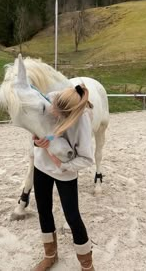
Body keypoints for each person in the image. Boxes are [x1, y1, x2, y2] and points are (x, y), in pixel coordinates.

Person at [32, 84, 95, 271]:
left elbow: (87, 159)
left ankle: (87, 265)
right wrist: (35, 140)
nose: (52, 111)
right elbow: (34, 125)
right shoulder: (50, 100)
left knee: (72, 217)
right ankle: (50, 255)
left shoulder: (82, 121)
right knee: (43, 209)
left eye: (57, 112)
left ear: (69, 115)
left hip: (65, 173)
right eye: (53, 105)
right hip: (41, 165)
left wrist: (63, 165)